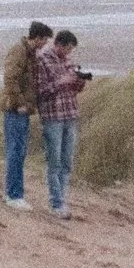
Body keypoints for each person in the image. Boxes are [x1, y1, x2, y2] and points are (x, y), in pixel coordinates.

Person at [33, 29, 87, 220]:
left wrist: (78, 82)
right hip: (53, 115)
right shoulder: (43, 60)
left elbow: (73, 89)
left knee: (67, 161)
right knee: (54, 160)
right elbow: (40, 91)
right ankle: (56, 202)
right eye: (68, 49)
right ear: (58, 44)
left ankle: (62, 199)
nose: (69, 54)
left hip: (70, 113)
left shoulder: (68, 61)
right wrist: (61, 82)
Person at [1, 20, 52, 208]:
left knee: (19, 151)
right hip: (15, 109)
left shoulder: (30, 54)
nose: (45, 44)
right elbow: (10, 78)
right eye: (44, 40)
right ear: (37, 38)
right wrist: (20, 103)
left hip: (23, 110)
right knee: (16, 150)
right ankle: (14, 195)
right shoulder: (19, 51)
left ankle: (13, 193)